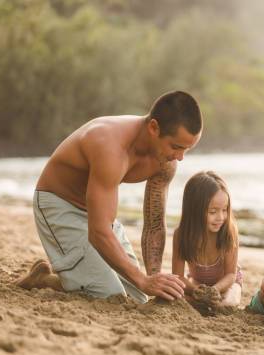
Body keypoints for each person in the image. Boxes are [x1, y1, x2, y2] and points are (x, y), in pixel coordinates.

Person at [16, 91, 203, 303]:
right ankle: (46, 281)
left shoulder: (165, 161)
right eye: (177, 147)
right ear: (153, 128)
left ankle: (49, 277)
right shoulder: (109, 145)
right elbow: (98, 232)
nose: (180, 157)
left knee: (137, 298)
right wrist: (142, 280)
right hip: (58, 204)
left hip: (97, 212)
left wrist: (153, 279)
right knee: (110, 295)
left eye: (187, 149)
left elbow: (154, 225)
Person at [172, 171, 242, 307]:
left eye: (224, 210)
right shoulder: (181, 234)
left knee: (228, 303)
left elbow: (230, 275)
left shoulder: (229, 231)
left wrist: (215, 290)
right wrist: (196, 290)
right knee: (179, 299)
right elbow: (178, 277)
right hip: (198, 283)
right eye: (213, 212)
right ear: (194, 210)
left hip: (226, 283)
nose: (220, 217)